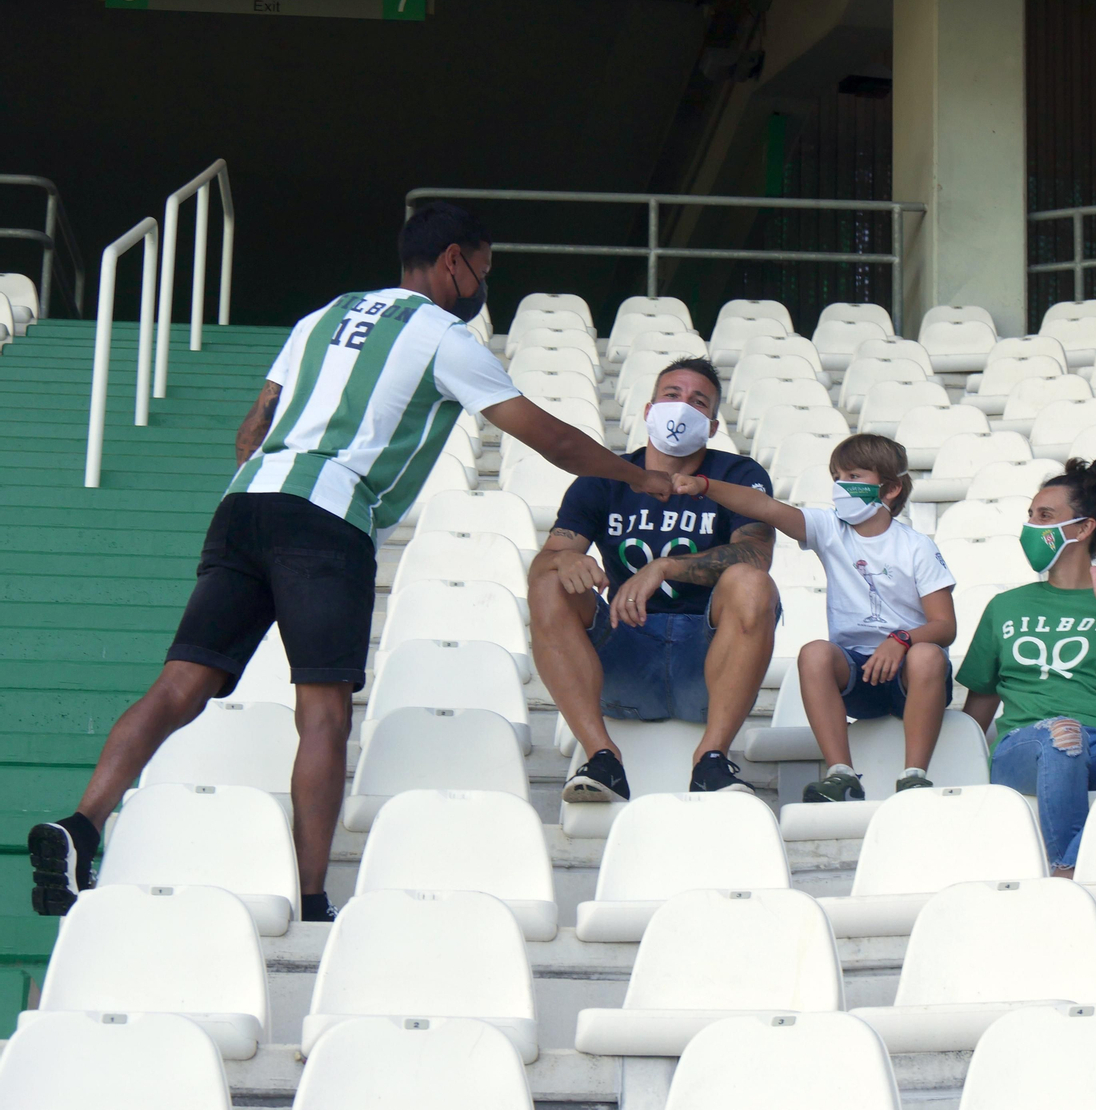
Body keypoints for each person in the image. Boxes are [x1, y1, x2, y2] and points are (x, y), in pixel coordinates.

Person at [27, 202, 671, 922]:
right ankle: (310, 898)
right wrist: (635, 475)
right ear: (454, 260)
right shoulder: (443, 336)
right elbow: (551, 440)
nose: (482, 285)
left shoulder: (322, 317)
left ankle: (83, 824)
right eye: (483, 270)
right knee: (324, 713)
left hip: (244, 504)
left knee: (180, 682)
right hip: (327, 517)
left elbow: (252, 429)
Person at [530, 357, 780, 801]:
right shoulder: (603, 479)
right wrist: (563, 561)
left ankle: (712, 760)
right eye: (672, 395)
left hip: (707, 662)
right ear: (648, 410)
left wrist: (664, 567)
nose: (682, 407)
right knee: (549, 581)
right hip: (622, 655)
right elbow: (542, 564)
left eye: (698, 402)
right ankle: (602, 757)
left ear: (713, 425)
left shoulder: (739, 476)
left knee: (752, 583)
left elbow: (757, 554)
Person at [671, 433, 957, 801]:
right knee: (814, 653)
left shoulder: (917, 546)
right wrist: (705, 486)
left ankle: (914, 777)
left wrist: (901, 640)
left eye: (854, 476)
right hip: (857, 677)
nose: (841, 486)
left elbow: (944, 626)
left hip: (912, 677)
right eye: (837, 477)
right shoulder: (829, 528)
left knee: (927, 655)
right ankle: (842, 776)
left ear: (890, 489)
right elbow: (764, 507)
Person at [957, 460, 1096, 877]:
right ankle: (1068, 870)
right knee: (1064, 732)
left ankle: (1072, 863)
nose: (1031, 526)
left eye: (1045, 516)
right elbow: (978, 709)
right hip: (1026, 747)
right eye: (1030, 516)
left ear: (1083, 529)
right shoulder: (1004, 606)